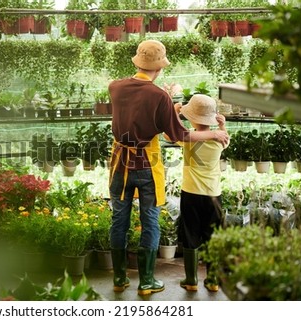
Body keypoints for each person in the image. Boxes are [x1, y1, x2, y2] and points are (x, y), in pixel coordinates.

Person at [107, 40, 229, 296]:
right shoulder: (160, 96)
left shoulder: (115, 87)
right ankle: (147, 282)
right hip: (147, 167)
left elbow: (137, 105)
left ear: (138, 62)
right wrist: (214, 134)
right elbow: (179, 135)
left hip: (119, 164)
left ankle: (119, 278)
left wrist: (164, 100)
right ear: (159, 68)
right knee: (150, 221)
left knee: (119, 219)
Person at [176, 94, 227, 293]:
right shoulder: (220, 140)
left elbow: (171, 133)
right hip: (213, 195)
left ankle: (191, 279)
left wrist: (176, 112)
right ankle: (213, 280)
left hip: (190, 193)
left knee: (191, 234)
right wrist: (221, 127)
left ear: (193, 119)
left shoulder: (188, 138)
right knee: (212, 236)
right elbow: (224, 137)